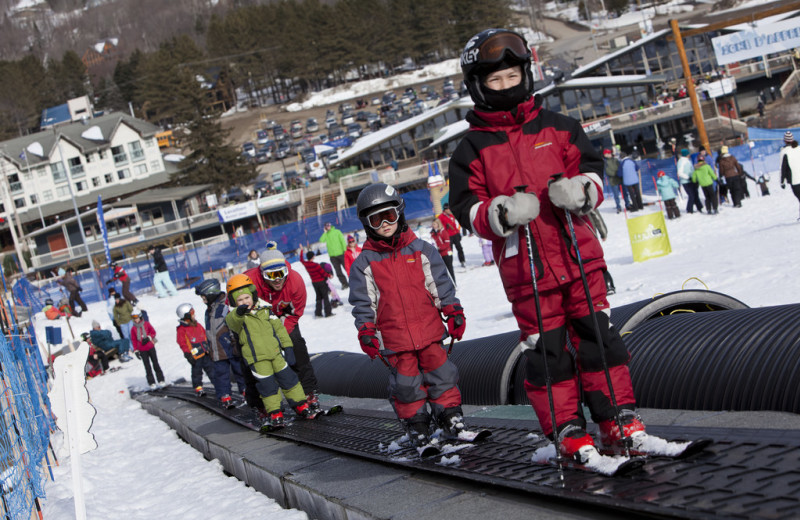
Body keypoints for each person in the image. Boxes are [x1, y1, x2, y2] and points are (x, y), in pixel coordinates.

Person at [448, 28, 649, 463]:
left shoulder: (560, 128)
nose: (506, 86)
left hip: (578, 257)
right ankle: (568, 430)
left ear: (527, 74)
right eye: (494, 80)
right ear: (478, 87)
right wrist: (498, 212)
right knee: (549, 353)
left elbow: (594, 171)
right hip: (529, 273)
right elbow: (465, 207)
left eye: (512, 76)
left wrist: (583, 191)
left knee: (599, 341)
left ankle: (618, 419)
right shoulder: (471, 149)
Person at [349, 183, 469, 447]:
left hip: (429, 331)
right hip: (396, 339)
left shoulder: (422, 250)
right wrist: (366, 330)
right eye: (376, 219)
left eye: (389, 216)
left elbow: (440, 285)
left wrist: (453, 311)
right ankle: (417, 425)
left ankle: (451, 417)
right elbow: (363, 303)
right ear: (367, 224)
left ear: (399, 214)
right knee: (406, 385)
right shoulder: (364, 264)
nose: (384, 224)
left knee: (442, 375)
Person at [225, 274, 314, 429]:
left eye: (247, 297)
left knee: (290, 380)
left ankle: (300, 404)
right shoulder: (237, 318)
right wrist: (238, 313)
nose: (244, 302)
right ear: (234, 302)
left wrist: (288, 347)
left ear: (253, 295)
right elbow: (232, 323)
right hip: (258, 360)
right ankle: (275, 412)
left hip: (275, 354)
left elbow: (280, 330)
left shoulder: (266, 310)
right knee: (267, 387)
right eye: (240, 300)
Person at [244, 245, 323, 414]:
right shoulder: (249, 283)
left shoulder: (295, 281)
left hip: (283, 317)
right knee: (252, 356)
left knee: (297, 345)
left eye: (280, 273)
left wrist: (281, 336)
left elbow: (295, 313)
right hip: (254, 322)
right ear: (262, 274)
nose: (277, 279)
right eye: (271, 275)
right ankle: (259, 403)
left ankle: (308, 391)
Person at [196, 279, 246, 407]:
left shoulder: (225, 306)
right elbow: (209, 329)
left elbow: (232, 324)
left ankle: (246, 391)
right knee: (221, 374)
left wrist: (234, 341)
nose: (203, 300)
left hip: (229, 346)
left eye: (204, 297)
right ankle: (225, 395)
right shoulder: (209, 310)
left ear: (211, 293)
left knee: (239, 371)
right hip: (217, 350)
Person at [175, 303, 215, 397]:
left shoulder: (198, 325)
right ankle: (198, 387)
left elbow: (204, 335)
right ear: (186, 315)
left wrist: (208, 347)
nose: (194, 314)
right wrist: (187, 353)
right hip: (195, 355)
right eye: (192, 312)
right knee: (197, 372)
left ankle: (217, 384)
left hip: (205, 352)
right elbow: (182, 342)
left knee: (211, 369)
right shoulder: (182, 329)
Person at [130, 307, 165, 389]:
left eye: (137, 318)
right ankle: (151, 382)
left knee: (155, 363)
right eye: (134, 319)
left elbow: (153, 332)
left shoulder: (146, 324)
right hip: (142, 350)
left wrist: (149, 337)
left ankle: (161, 379)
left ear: (140, 317)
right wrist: (136, 350)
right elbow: (134, 340)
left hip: (150, 347)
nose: (136, 320)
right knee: (147, 366)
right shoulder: (133, 328)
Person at [586, 210, 616, 295]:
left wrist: (603, 232)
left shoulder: (583, 199)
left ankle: (607, 285)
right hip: (577, 239)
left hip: (589, 236)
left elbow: (595, 214)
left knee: (596, 262)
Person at [300, 250, 333, 318]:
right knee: (325, 297)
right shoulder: (316, 265)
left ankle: (318, 313)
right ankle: (328, 313)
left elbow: (301, 259)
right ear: (312, 257)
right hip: (321, 282)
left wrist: (301, 250)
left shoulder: (306, 264)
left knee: (318, 298)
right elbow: (323, 273)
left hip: (314, 283)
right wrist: (329, 276)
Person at [319, 222, 349, 289]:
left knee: (347, 268)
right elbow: (321, 240)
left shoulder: (337, 231)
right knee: (338, 271)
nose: (328, 227)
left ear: (331, 226)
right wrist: (324, 232)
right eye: (326, 226)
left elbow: (342, 241)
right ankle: (344, 284)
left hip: (341, 254)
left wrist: (345, 250)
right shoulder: (326, 234)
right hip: (333, 256)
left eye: (328, 225)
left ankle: (354, 281)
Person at [780, 135, 800, 220]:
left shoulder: (785, 151)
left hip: (794, 179)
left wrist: (782, 181)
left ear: (785, 140)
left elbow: (783, 168)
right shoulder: (798, 148)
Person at [430, 218, 455, 284]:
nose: (433, 225)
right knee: (443, 270)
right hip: (440, 254)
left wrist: (439, 247)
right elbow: (433, 241)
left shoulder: (443, 232)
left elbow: (447, 243)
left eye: (434, 224)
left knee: (450, 269)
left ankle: (454, 283)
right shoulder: (434, 233)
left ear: (438, 224)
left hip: (447, 253)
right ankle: (448, 284)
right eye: (432, 224)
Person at [677, 148, 702, 214]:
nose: (689, 155)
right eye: (688, 154)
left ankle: (699, 207)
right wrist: (688, 177)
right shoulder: (681, 162)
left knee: (695, 193)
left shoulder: (688, 160)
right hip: (686, 181)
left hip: (691, 180)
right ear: (686, 155)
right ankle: (689, 209)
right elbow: (680, 173)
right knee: (691, 195)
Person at [602, 148, 624, 213]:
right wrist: (615, 174)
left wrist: (619, 173)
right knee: (616, 195)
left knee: (625, 193)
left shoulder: (615, 160)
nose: (608, 155)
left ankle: (628, 204)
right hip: (613, 180)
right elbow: (607, 171)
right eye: (606, 154)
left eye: (608, 153)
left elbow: (620, 167)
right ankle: (618, 207)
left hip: (620, 178)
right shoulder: (605, 162)